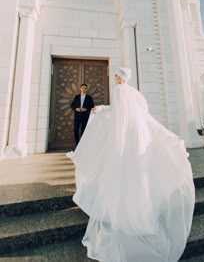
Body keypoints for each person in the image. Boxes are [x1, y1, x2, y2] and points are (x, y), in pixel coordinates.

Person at [67, 68, 195, 262]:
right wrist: (102, 108)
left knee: (119, 171)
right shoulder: (134, 92)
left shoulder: (119, 91)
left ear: (122, 77)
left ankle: (124, 214)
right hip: (137, 137)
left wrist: (101, 110)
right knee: (136, 174)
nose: (116, 77)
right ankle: (141, 213)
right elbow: (142, 112)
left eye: (118, 75)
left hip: (124, 136)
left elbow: (118, 113)